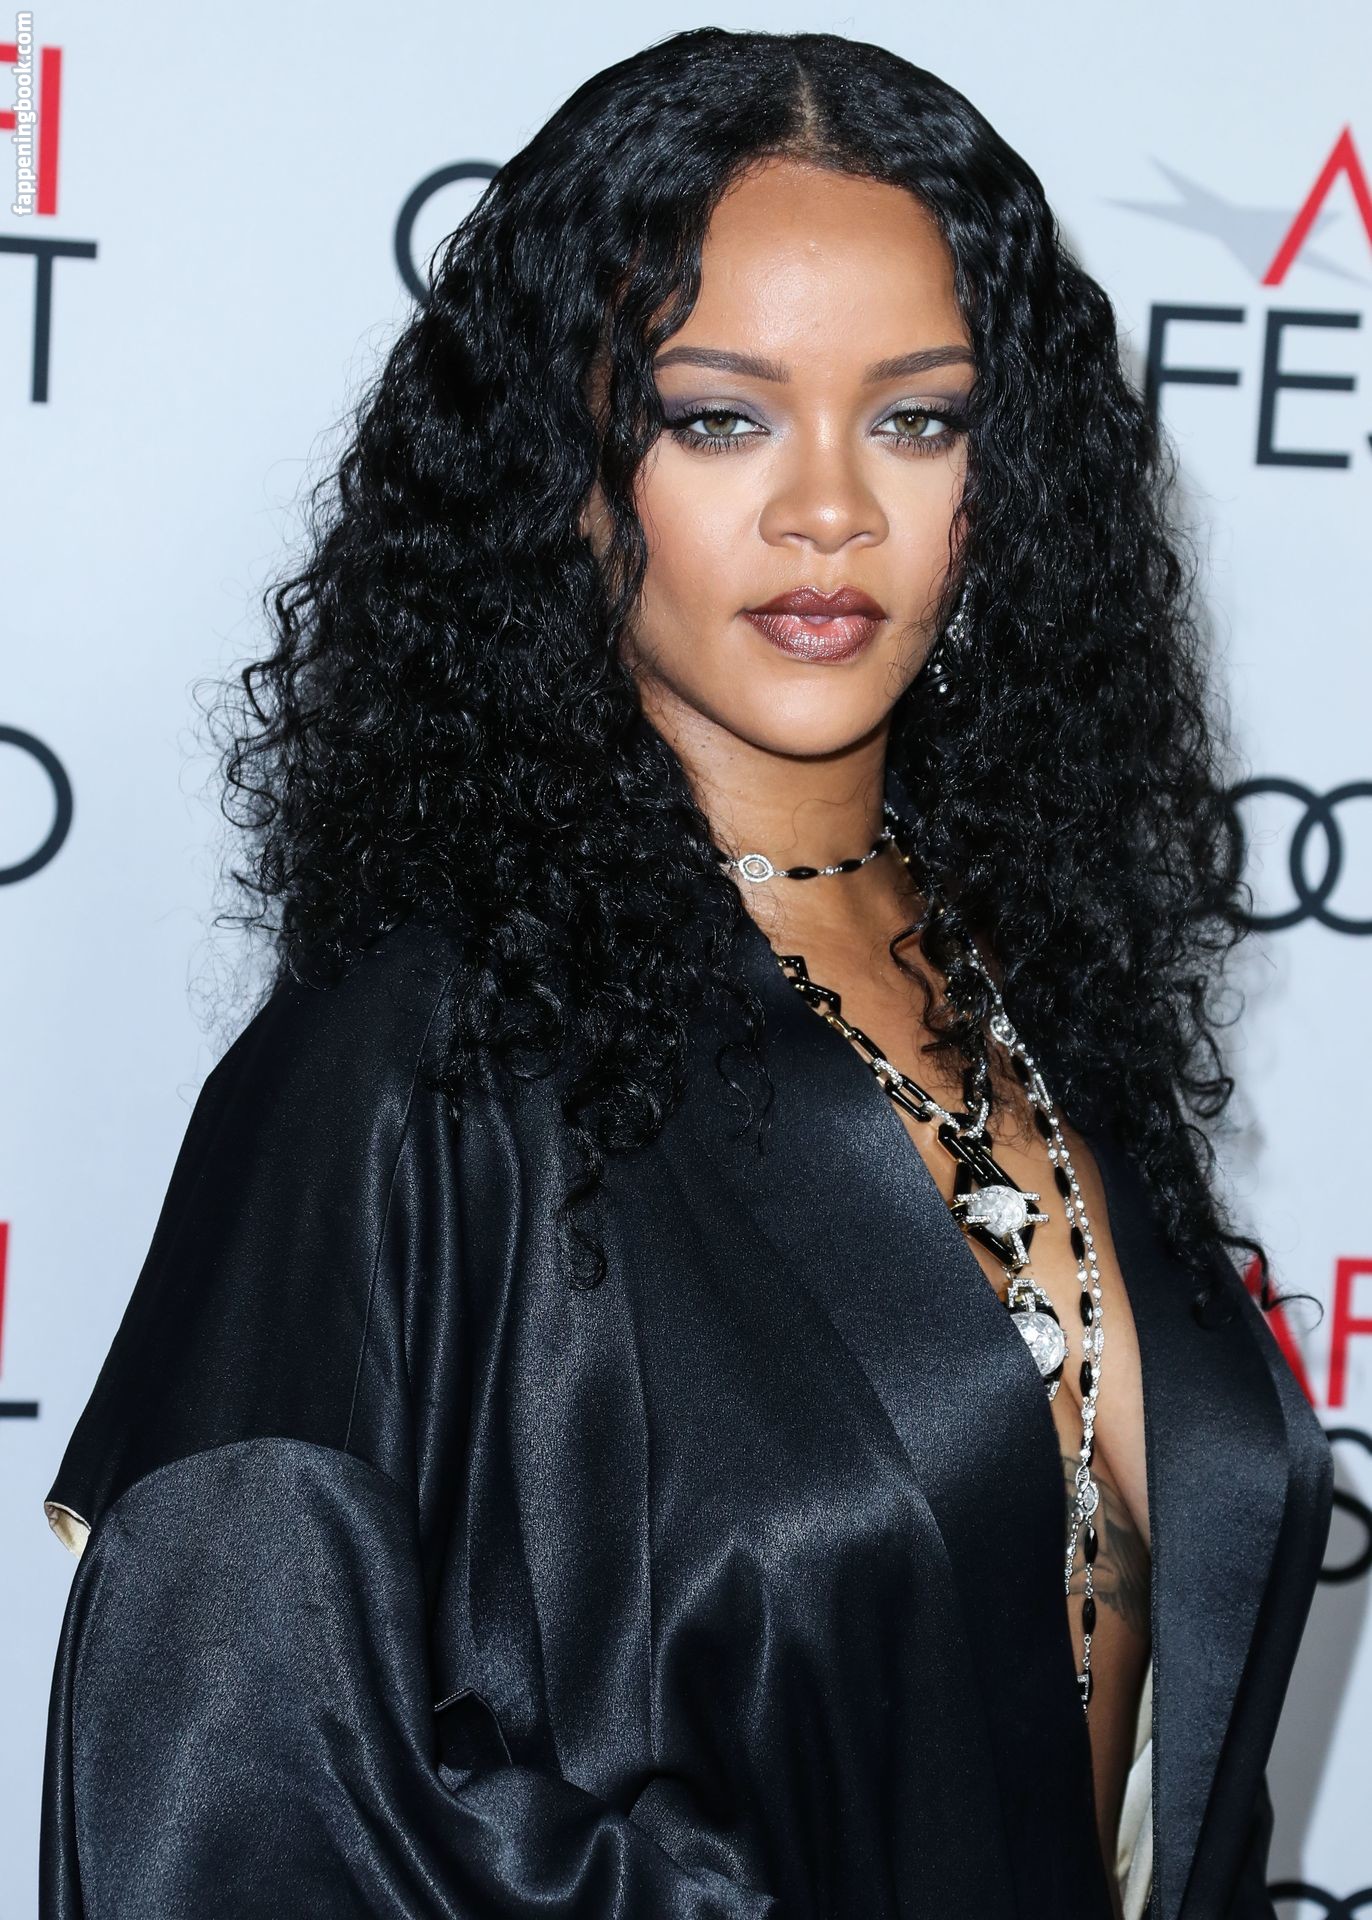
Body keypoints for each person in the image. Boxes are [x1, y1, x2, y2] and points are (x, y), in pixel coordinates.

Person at [39, 27, 1332, 1920]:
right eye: (720, 418)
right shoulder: (408, 1071)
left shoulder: (1041, 998)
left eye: (919, 420)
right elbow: (229, 1805)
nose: (830, 511)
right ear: (565, 465)